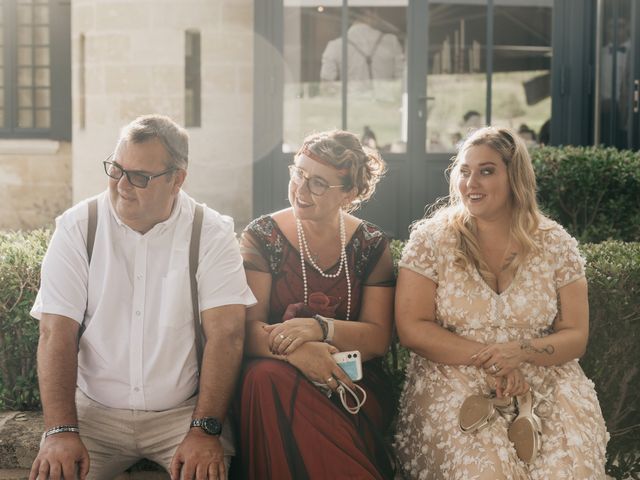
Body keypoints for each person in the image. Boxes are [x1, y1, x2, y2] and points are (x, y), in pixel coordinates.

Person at [29, 115, 256, 480]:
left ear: (177, 180)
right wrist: (60, 430)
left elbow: (226, 335)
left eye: (139, 177)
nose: (122, 185)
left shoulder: (211, 233)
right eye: (116, 169)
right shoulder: (77, 227)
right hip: (93, 416)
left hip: (183, 416)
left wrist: (204, 428)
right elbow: (56, 333)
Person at [394, 126, 608, 479]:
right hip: (453, 376)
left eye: (487, 171)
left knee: (569, 470)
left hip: (546, 378)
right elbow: (413, 329)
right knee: (487, 471)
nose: (471, 182)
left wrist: (520, 353)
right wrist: (497, 360)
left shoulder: (556, 244)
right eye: (464, 171)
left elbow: (575, 335)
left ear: (515, 178)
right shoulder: (431, 240)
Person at [236, 130, 396, 479]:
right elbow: (245, 331)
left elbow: (379, 337)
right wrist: (297, 353)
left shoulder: (370, 245)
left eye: (319, 183)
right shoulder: (263, 236)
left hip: (349, 379)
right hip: (274, 369)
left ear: (349, 193)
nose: (301, 189)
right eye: (298, 174)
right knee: (265, 379)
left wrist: (322, 329)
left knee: (280, 386)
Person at [320, 8, 404, 87]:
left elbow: (326, 84)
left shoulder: (335, 45)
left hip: (351, 101)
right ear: (369, 14)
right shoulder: (391, 41)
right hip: (387, 101)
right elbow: (402, 79)